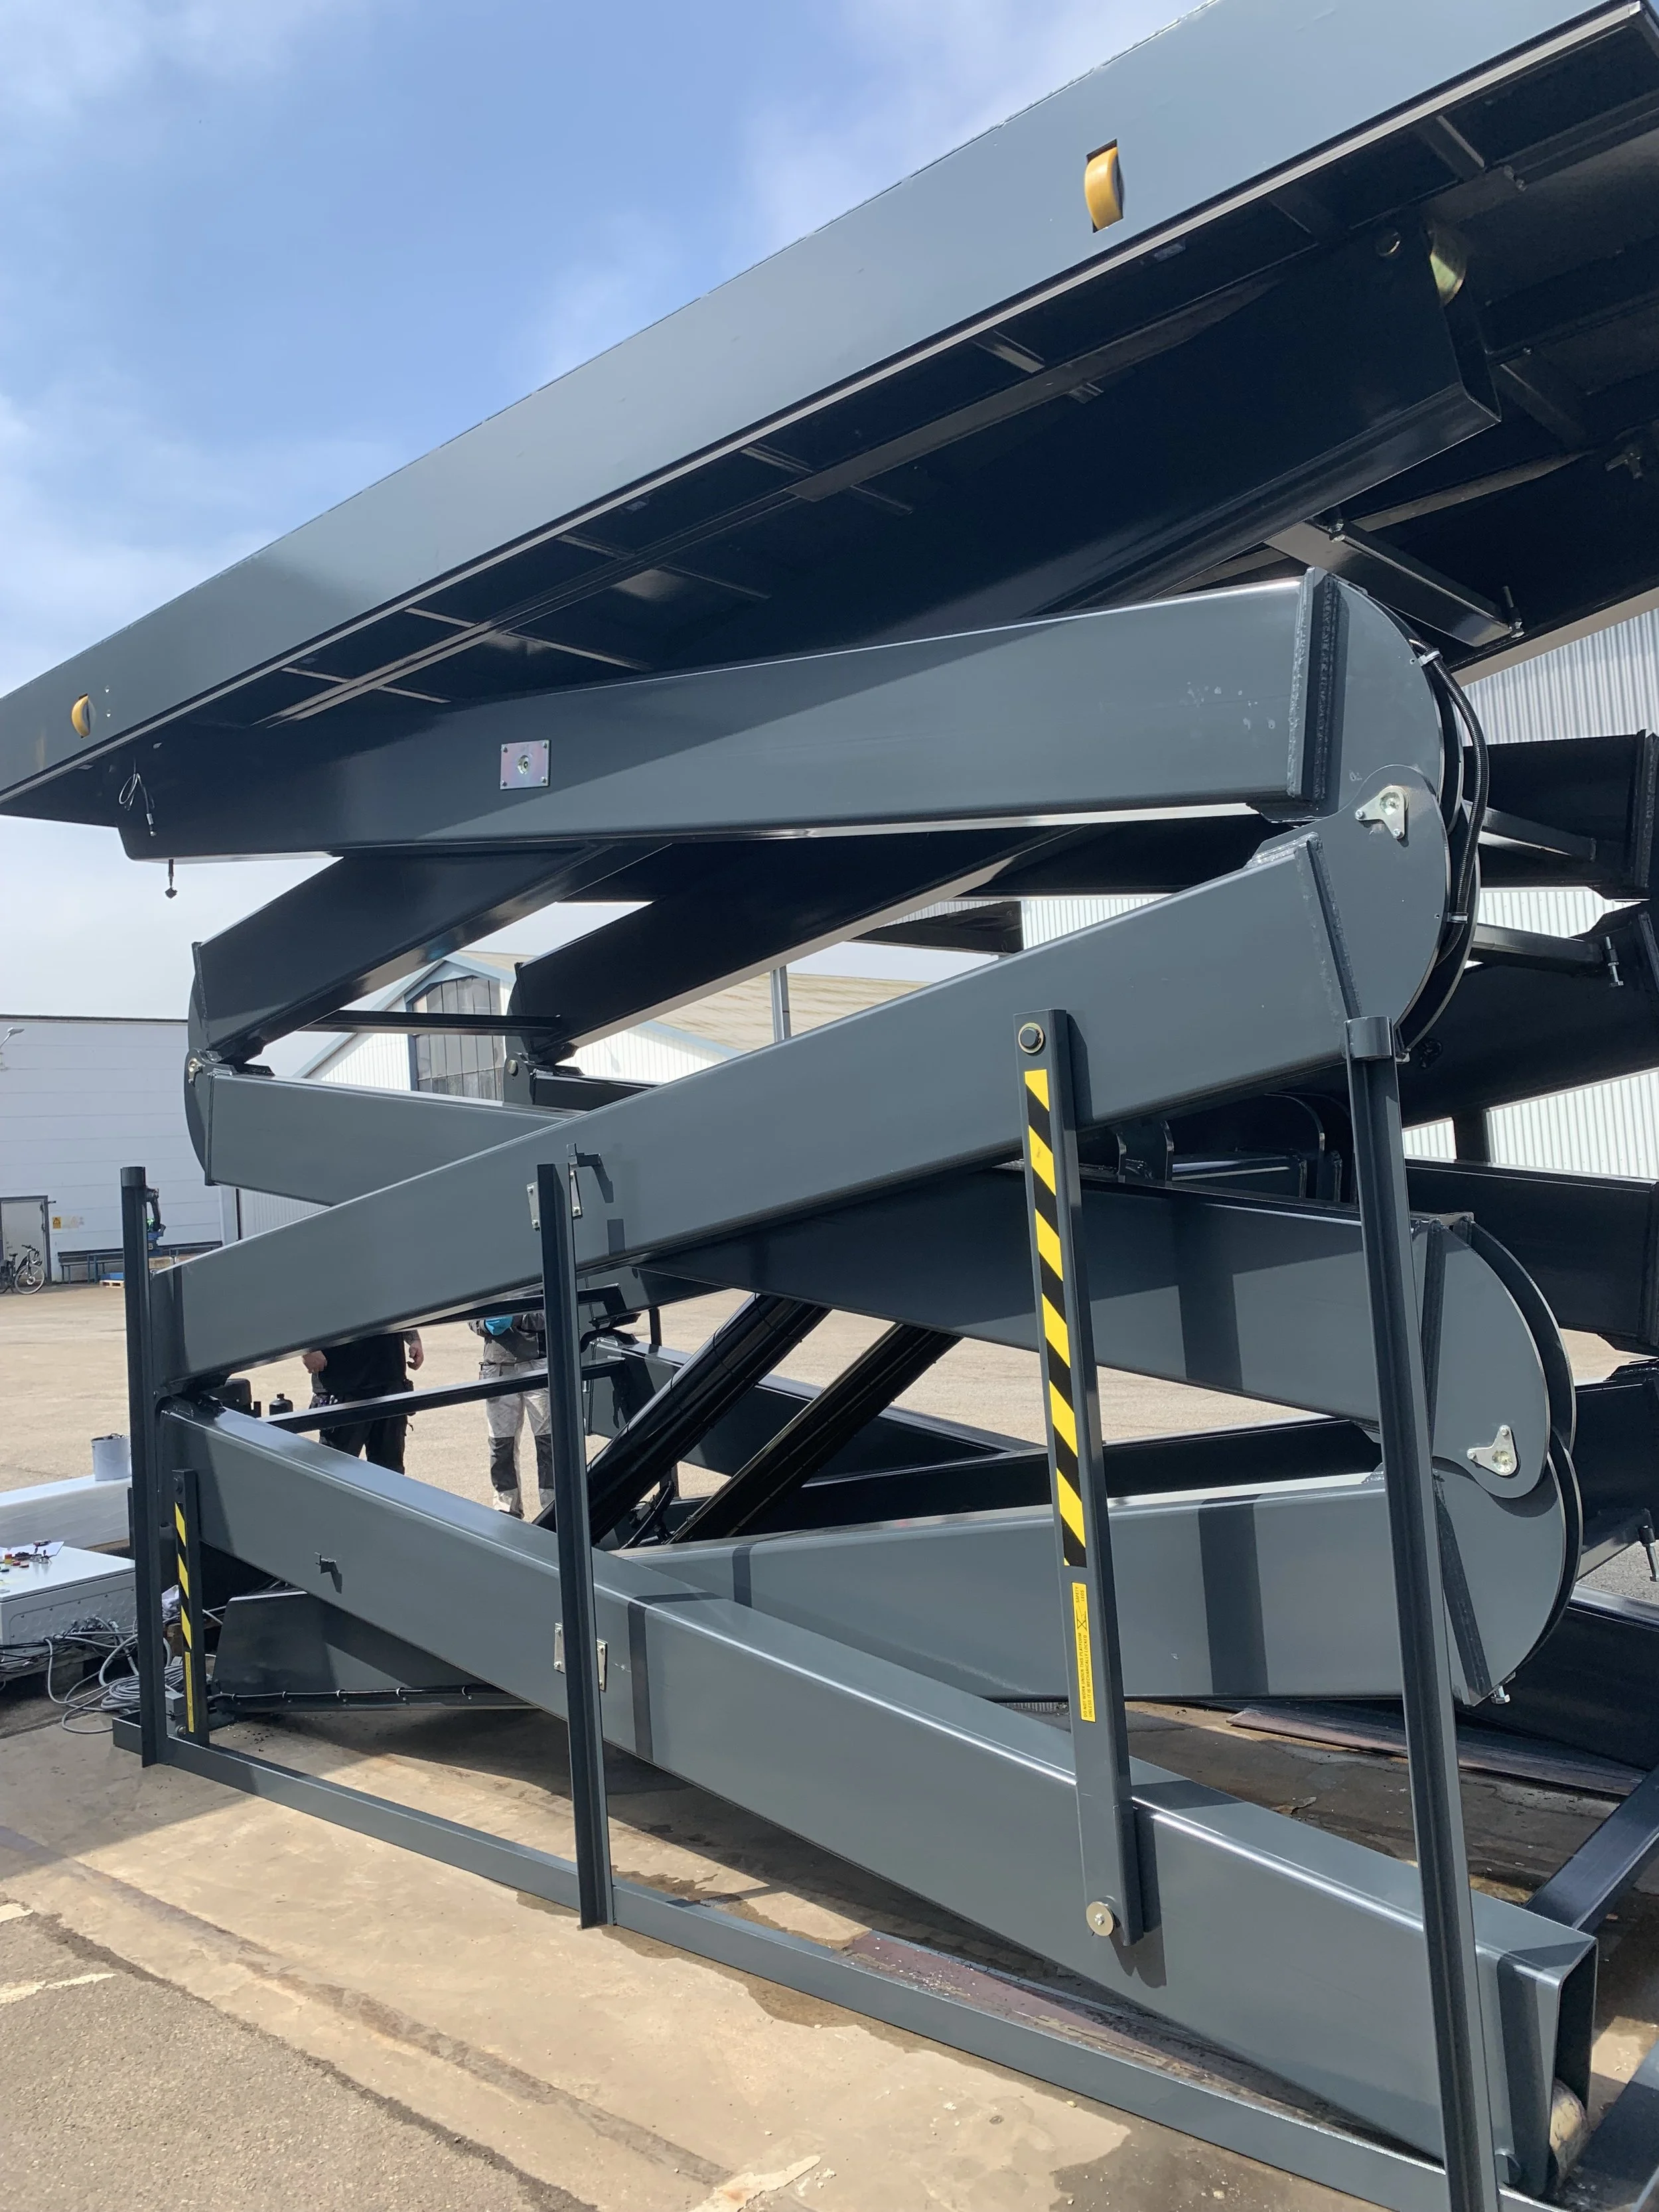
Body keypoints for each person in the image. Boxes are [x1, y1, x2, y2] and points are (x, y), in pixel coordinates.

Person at [301, 1329, 423, 1473]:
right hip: (341, 1382)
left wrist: (414, 1338)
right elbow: (290, 1309)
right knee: (337, 1473)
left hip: (389, 1376)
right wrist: (306, 1348)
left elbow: (395, 1307)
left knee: (390, 1473)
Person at [469, 1309, 550, 1518]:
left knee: (548, 1441)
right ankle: (506, 1509)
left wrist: (518, 1318)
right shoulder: (482, 1280)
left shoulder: (536, 1277)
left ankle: (554, 1506)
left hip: (538, 1364)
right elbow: (470, 1316)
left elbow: (554, 1310)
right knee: (500, 1444)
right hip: (497, 1368)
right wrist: (485, 1324)